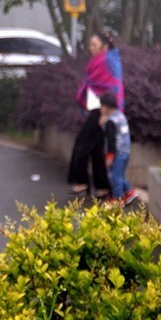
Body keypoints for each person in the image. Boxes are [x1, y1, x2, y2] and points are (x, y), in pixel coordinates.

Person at [68, 31, 123, 198]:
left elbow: (113, 88)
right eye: (90, 44)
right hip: (98, 109)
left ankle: (81, 182)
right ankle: (102, 186)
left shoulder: (107, 61)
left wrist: (107, 113)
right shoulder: (100, 61)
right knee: (96, 148)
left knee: (82, 144)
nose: (90, 48)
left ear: (104, 47)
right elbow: (94, 86)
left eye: (94, 44)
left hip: (103, 111)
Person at [100, 91, 137, 206]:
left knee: (115, 177)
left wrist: (109, 157)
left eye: (101, 106)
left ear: (106, 107)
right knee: (119, 175)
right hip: (125, 152)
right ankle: (129, 192)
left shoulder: (110, 121)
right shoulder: (121, 116)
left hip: (116, 154)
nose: (101, 109)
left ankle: (117, 199)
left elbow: (111, 141)